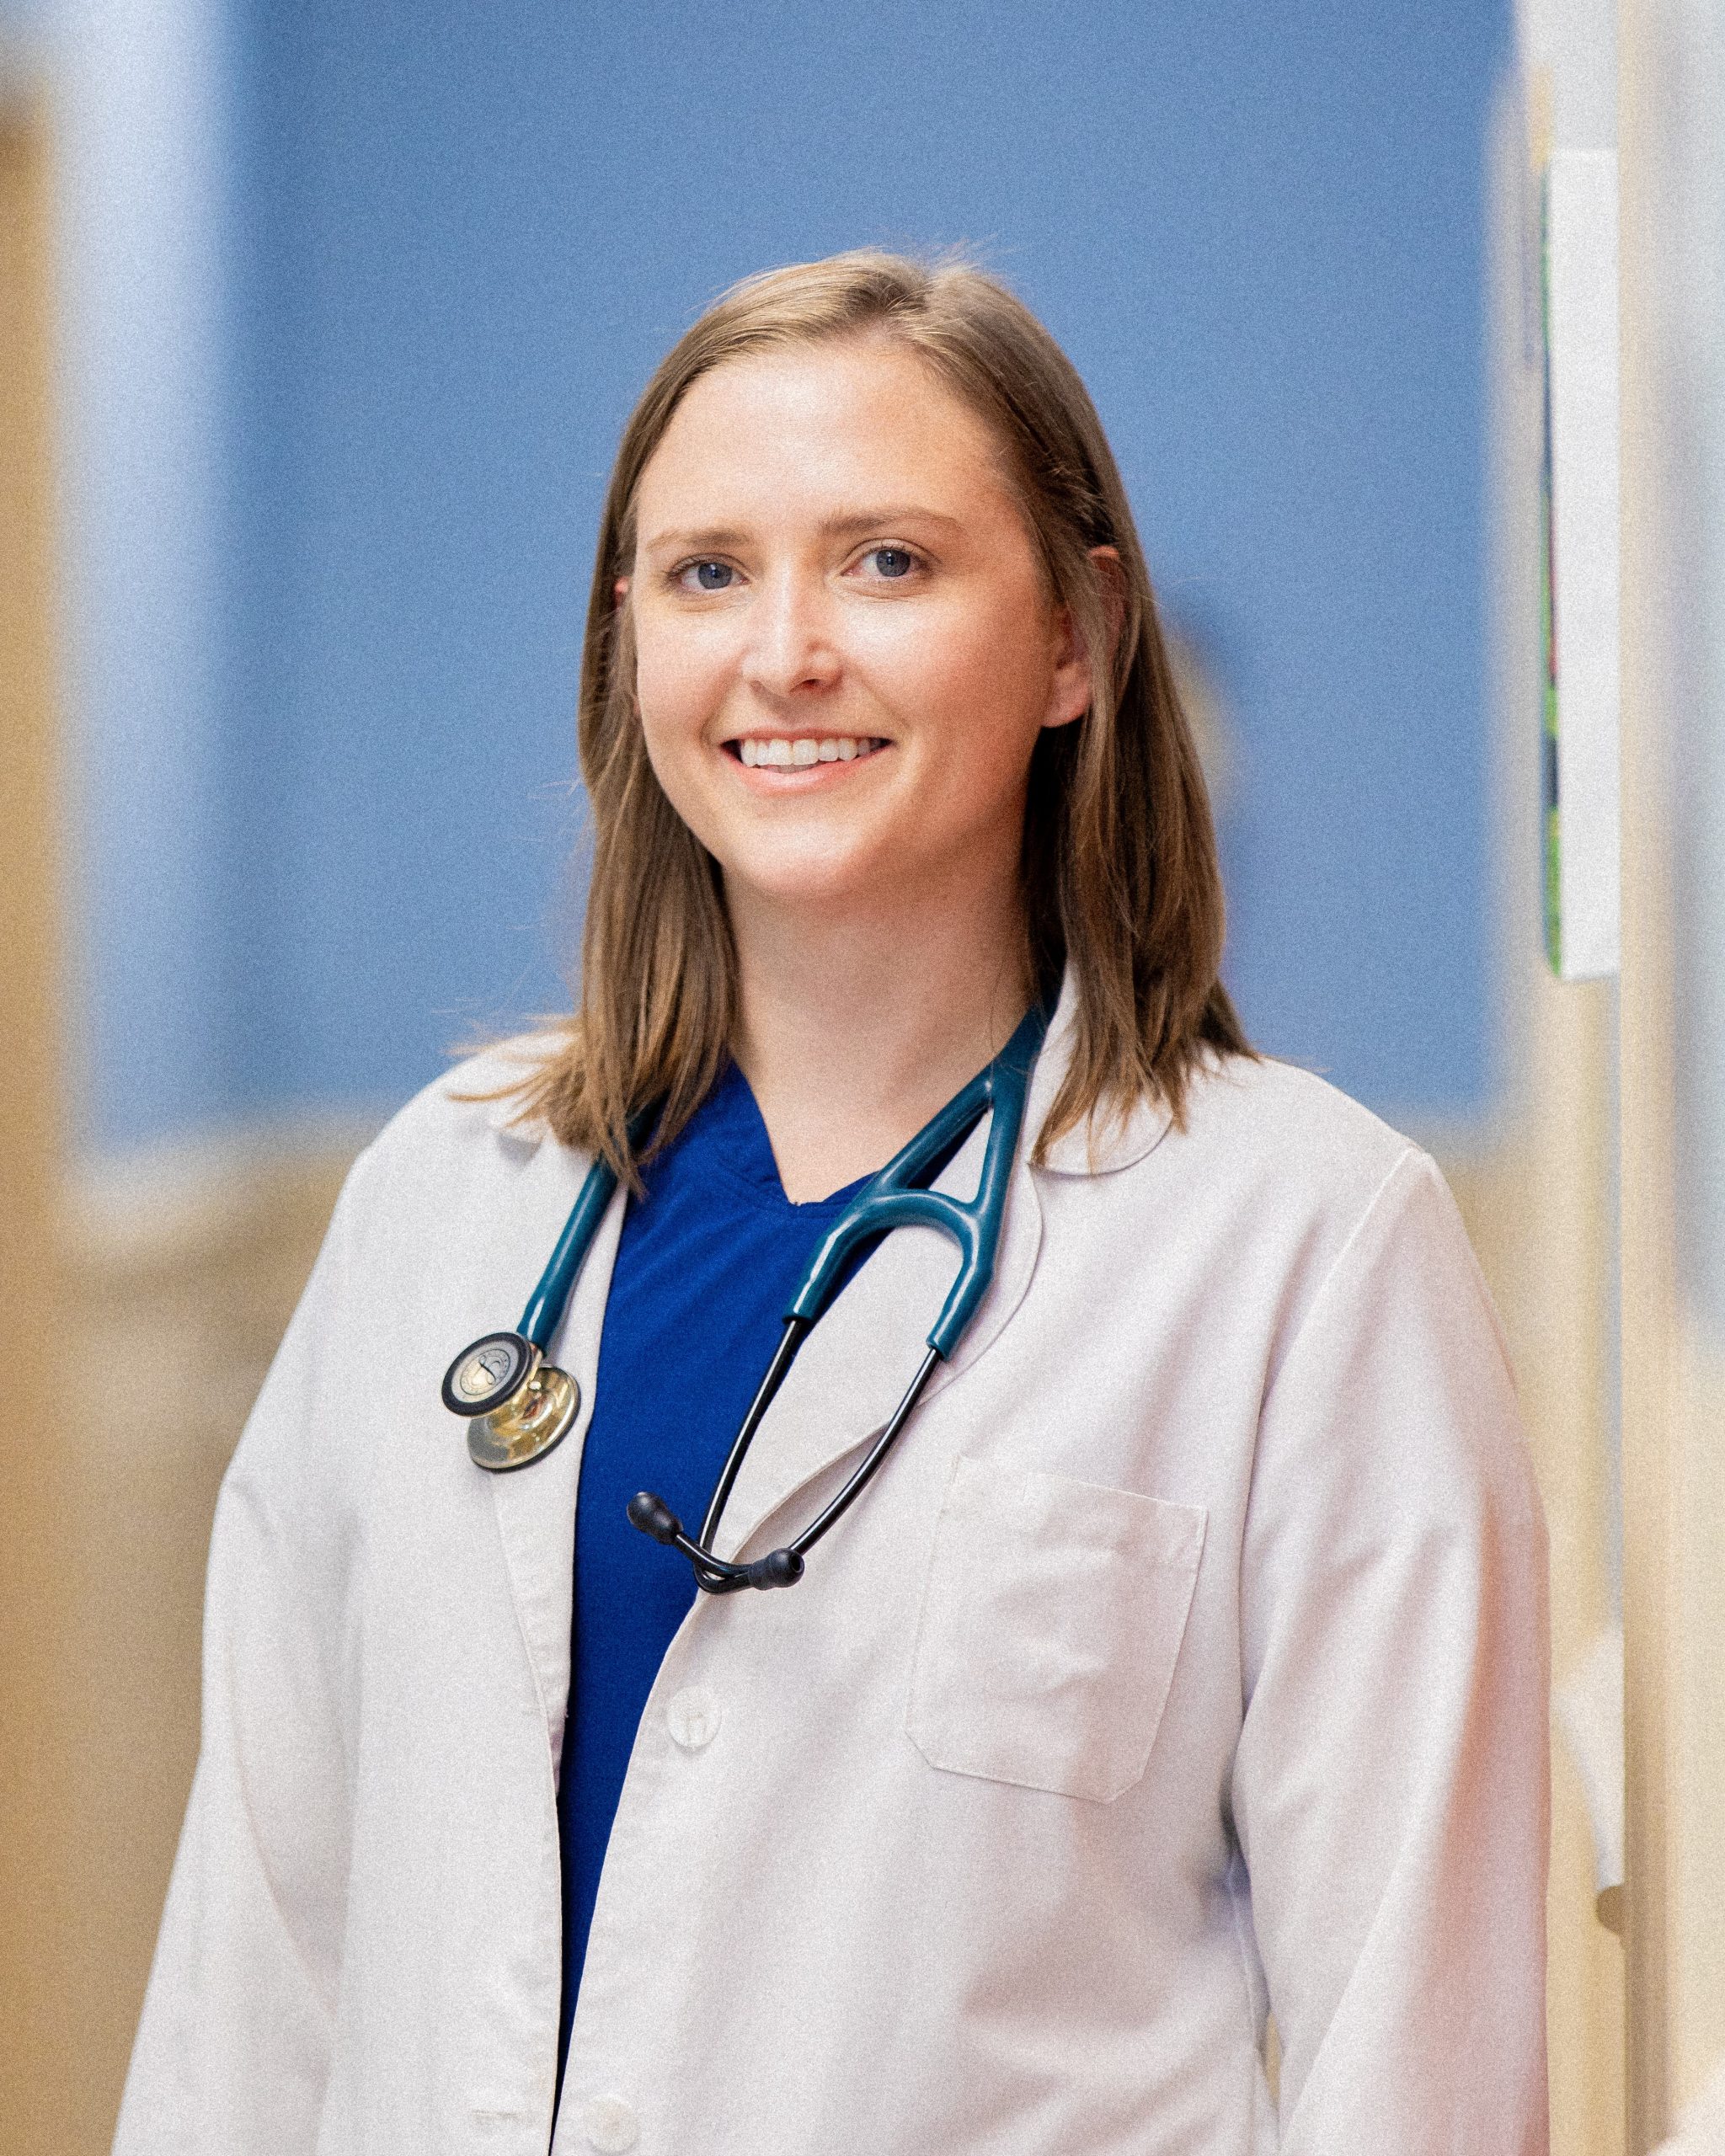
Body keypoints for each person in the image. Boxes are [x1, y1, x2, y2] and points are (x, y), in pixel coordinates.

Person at [115, 249, 1549, 2155]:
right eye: (706, 570)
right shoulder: (445, 1197)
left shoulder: (1299, 1243)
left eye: (887, 561)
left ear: (1074, 638)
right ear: (626, 637)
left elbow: (1412, 2056)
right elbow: (259, 1960)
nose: (784, 649)